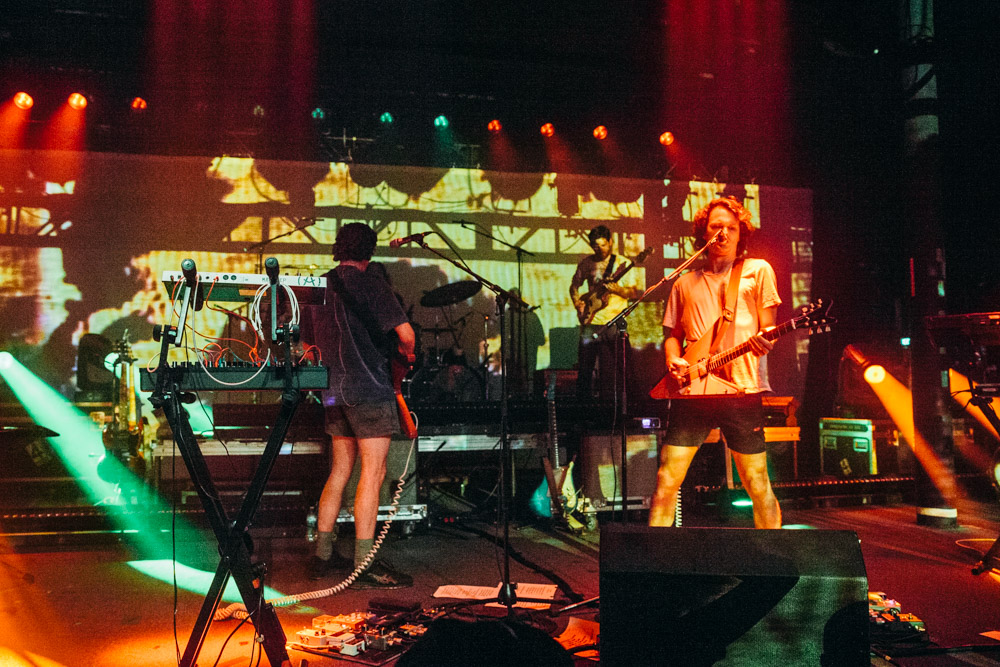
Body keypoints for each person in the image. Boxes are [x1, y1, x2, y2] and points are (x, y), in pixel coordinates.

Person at [649, 197, 782, 529]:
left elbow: (769, 328)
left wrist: (767, 339)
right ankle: (655, 556)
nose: (723, 233)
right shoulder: (684, 282)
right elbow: (672, 336)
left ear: (741, 234)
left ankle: (774, 554)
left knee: (756, 481)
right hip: (693, 390)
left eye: (731, 228)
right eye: (716, 226)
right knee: (667, 479)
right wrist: (672, 358)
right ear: (703, 233)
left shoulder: (757, 271)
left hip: (741, 389)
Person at [307, 222, 417, 588]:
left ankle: (322, 555)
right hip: (369, 389)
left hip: (333, 391)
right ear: (369, 251)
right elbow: (406, 336)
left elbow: (307, 346)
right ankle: (364, 563)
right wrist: (404, 357)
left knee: (339, 471)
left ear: (339, 248)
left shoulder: (321, 285)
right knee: (373, 473)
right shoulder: (372, 283)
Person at [568, 225, 641, 399]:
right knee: (585, 370)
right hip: (591, 321)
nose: (599, 249)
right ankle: (583, 408)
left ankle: (632, 404)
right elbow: (574, 287)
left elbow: (633, 293)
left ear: (610, 242)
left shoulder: (623, 263)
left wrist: (618, 290)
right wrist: (578, 304)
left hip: (615, 322)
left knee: (625, 368)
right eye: (595, 246)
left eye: (602, 245)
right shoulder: (587, 264)